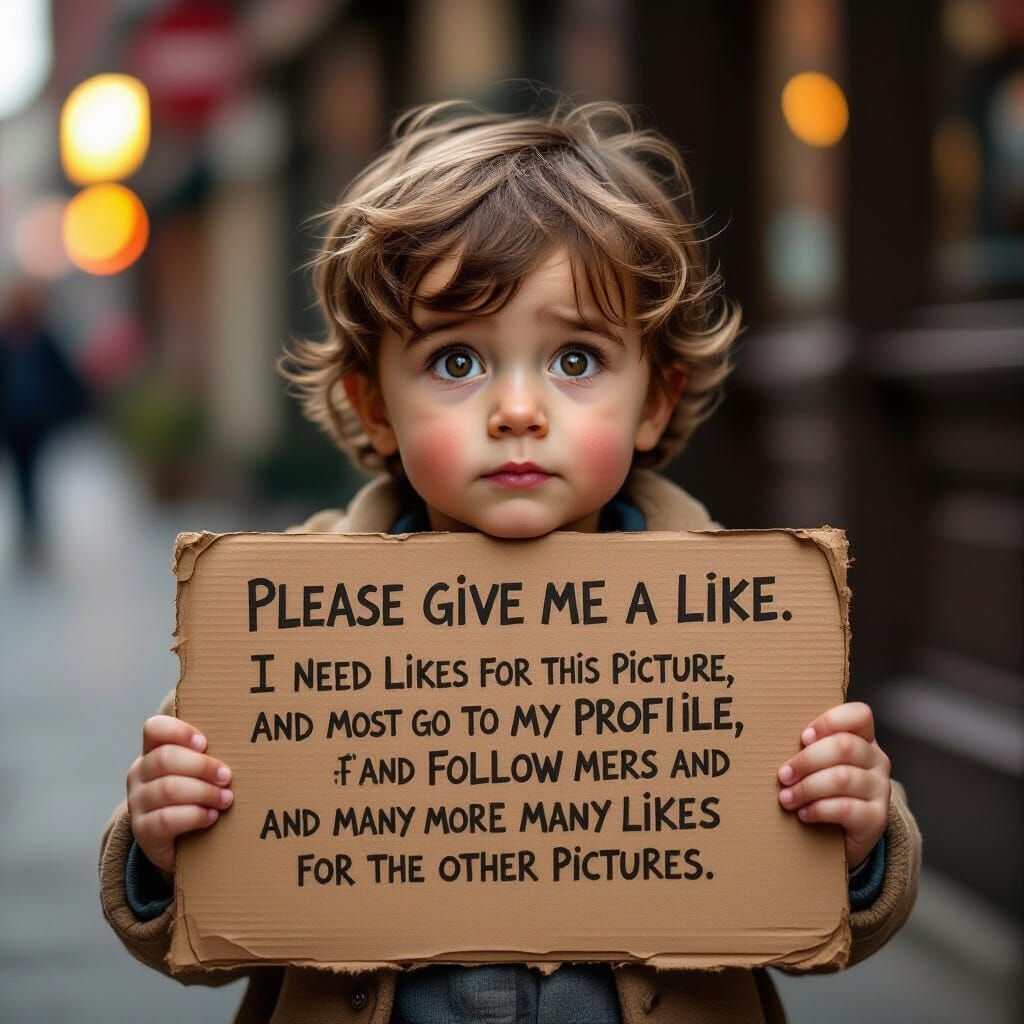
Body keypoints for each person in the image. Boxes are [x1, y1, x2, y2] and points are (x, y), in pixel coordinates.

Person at [99, 97, 922, 1024]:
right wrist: (162, 846)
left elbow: (826, 929)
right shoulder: (277, 627)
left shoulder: (744, 627)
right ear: (375, 408)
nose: (519, 409)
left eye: (576, 359)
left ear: (655, 400)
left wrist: (856, 842)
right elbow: (196, 942)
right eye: (457, 362)